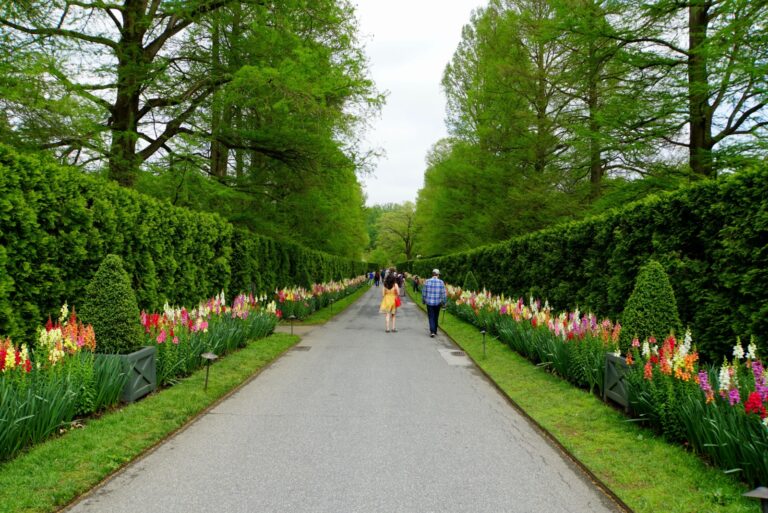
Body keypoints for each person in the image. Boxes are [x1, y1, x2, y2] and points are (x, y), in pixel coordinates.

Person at [421, 268, 446, 338]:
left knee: (431, 316)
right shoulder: (441, 282)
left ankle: (432, 331)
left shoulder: (427, 281)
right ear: (438, 275)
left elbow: (424, 292)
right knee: (436, 316)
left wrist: (423, 300)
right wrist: (444, 302)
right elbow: (443, 293)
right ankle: (434, 330)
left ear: (432, 274)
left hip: (429, 302)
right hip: (438, 302)